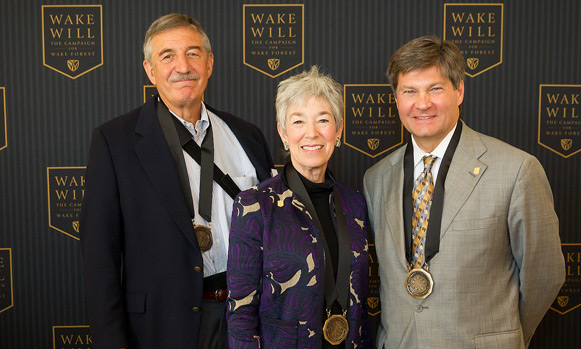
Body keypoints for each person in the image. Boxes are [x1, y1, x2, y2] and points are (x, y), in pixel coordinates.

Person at [79, 13, 274, 349]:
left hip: (250, 319)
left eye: (193, 53)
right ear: (150, 70)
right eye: (167, 56)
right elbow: (99, 260)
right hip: (162, 327)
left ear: (209, 63)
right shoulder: (114, 142)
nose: (183, 66)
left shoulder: (248, 136)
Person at [363, 36, 565, 348]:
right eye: (409, 91)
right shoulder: (376, 179)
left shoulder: (516, 170)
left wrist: (503, 336)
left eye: (435, 88)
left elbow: (545, 275)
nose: (422, 103)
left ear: (459, 91)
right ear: (396, 99)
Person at [226, 66, 371, 348]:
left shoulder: (355, 203)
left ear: (338, 129)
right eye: (298, 122)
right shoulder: (254, 205)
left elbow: (364, 302)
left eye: (323, 120)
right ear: (282, 133)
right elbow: (240, 314)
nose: (312, 133)